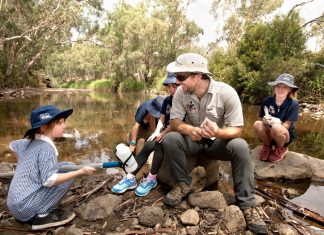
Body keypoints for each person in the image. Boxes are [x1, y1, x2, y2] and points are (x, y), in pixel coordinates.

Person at [160, 53, 268, 234]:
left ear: (198, 76)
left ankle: (247, 204)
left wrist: (218, 132)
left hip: (217, 143)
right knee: (170, 138)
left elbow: (237, 129)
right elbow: (175, 122)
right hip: (193, 142)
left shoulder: (226, 92)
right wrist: (190, 130)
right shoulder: (181, 92)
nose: (177, 82)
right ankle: (183, 184)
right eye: (177, 77)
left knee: (240, 145)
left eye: (181, 77)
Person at [7, 105, 96, 230]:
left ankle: (37, 208)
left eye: (64, 122)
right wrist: (80, 172)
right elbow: (50, 181)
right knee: (71, 173)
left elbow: (12, 145)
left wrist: (23, 162)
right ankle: (42, 216)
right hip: (26, 208)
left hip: (14, 205)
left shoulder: (29, 141)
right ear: (44, 127)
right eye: (59, 123)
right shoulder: (46, 148)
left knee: (68, 166)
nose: (64, 126)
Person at [112, 73, 179, 196]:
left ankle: (152, 179)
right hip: (166, 129)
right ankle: (131, 176)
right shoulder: (167, 100)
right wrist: (157, 131)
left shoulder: (182, 100)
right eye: (169, 86)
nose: (171, 90)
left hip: (176, 131)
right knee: (148, 145)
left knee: (159, 143)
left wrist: (162, 133)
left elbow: (177, 122)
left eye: (174, 86)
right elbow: (162, 119)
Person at [253, 73, 299, 162]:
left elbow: (286, 125)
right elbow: (261, 121)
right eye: (278, 86)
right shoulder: (267, 101)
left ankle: (281, 149)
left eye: (284, 87)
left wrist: (278, 122)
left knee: (276, 127)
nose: (280, 89)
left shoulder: (293, 104)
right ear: (274, 87)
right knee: (257, 124)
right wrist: (265, 120)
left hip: (284, 135)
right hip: (269, 134)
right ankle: (267, 146)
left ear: (289, 89)